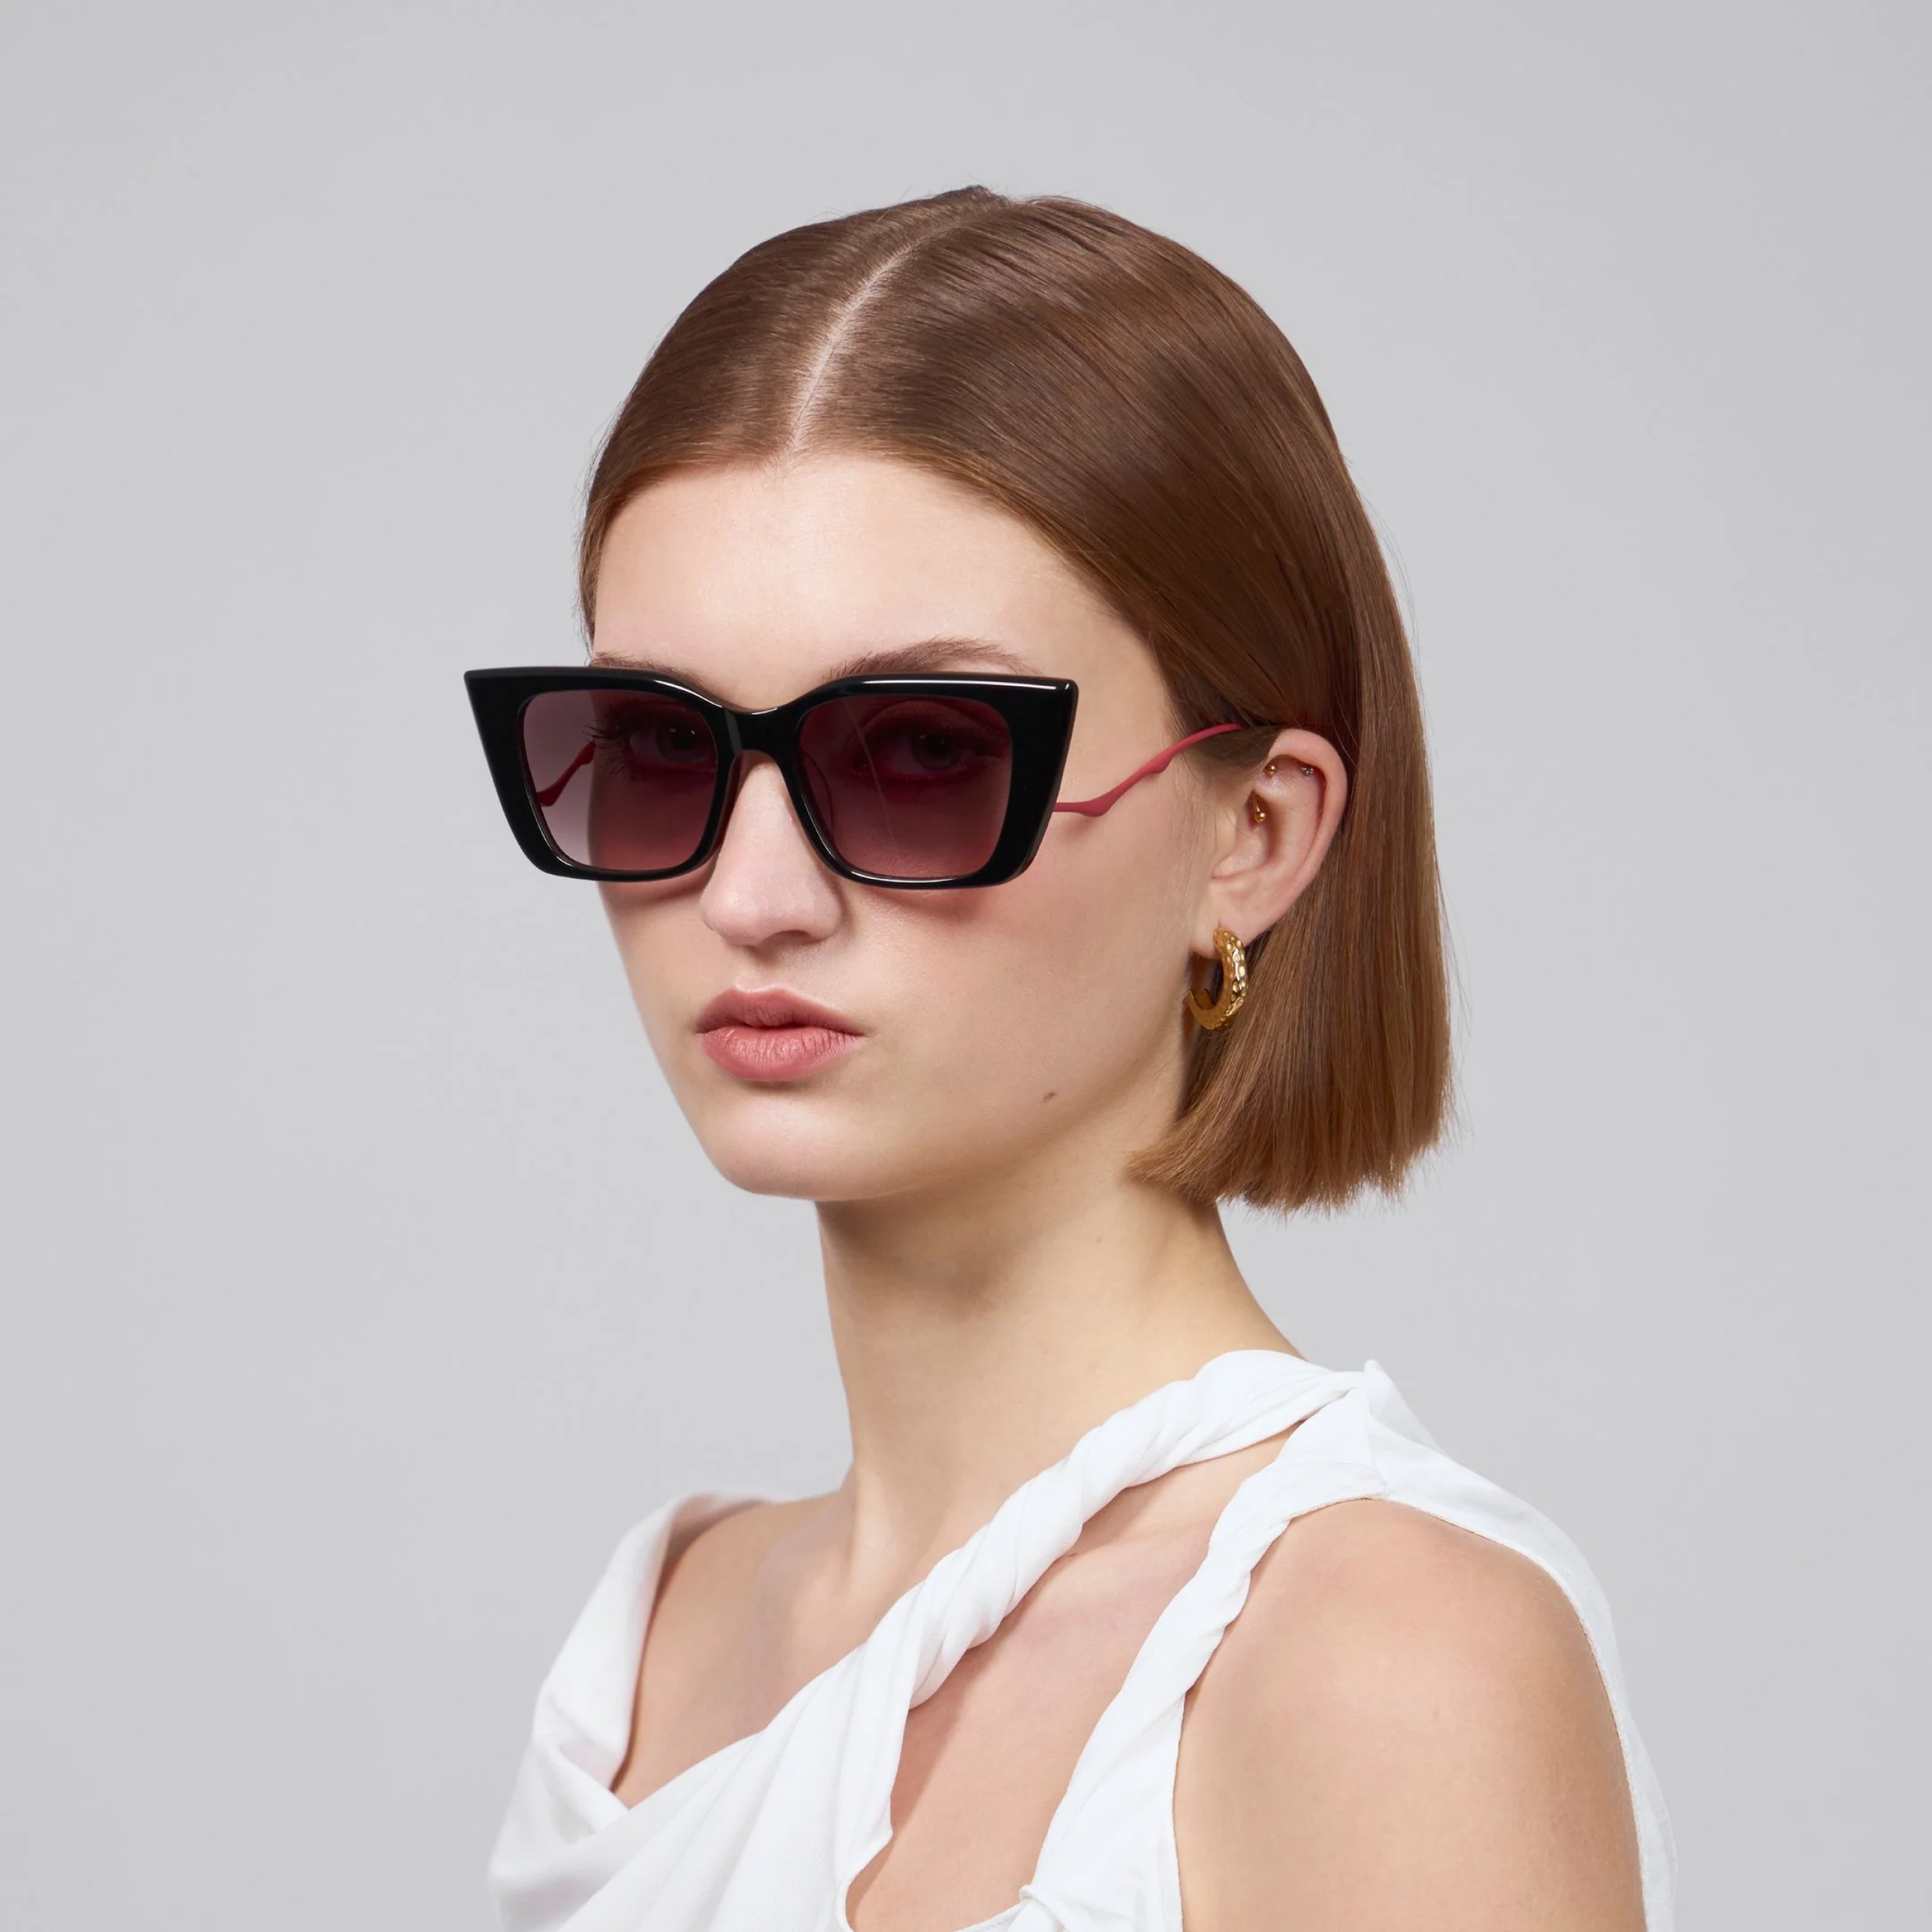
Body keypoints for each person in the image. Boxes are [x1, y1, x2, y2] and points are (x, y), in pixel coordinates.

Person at [469, 188, 1673, 1932]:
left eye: (921, 750)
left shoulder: (1379, 1657)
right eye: (654, 747)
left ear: (1251, 834)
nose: (747, 894)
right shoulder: (655, 1641)